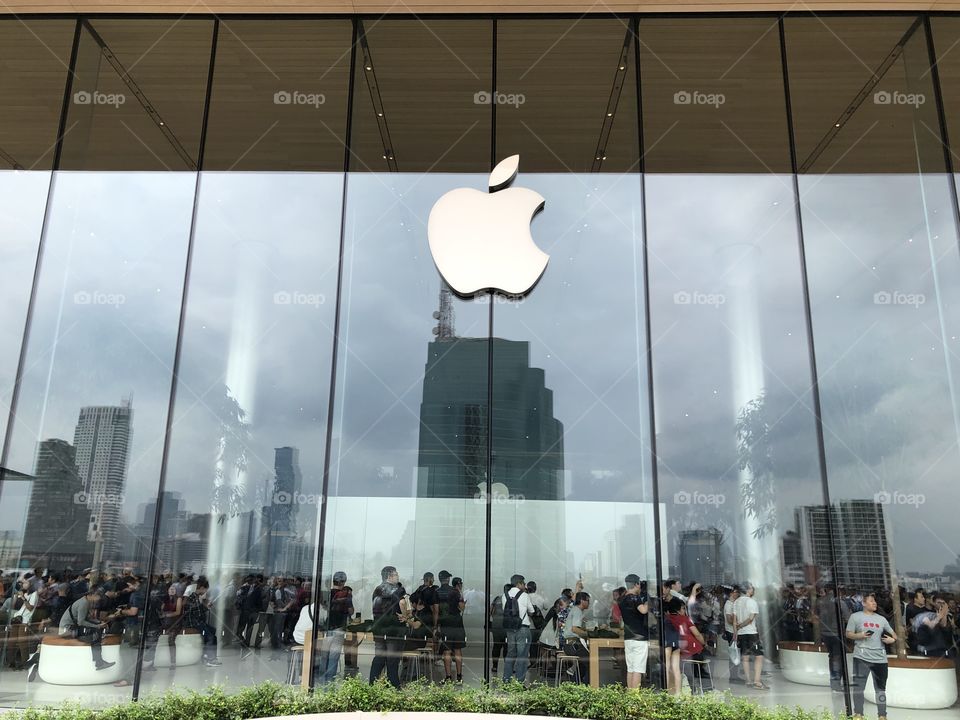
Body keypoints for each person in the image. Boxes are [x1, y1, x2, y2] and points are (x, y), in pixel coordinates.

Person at [846, 592, 897, 720]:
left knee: (880, 689)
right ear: (863, 603)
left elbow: (894, 635)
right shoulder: (855, 617)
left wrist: (892, 640)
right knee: (859, 687)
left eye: (875, 601)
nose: (874, 603)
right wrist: (860, 635)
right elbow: (848, 634)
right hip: (861, 657)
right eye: (871, 601)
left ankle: (882, 715)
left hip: (880, 659)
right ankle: (858, 714)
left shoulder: (881, 619)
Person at [58, 587, 116, 671]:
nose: (99, 600)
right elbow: (81, 622)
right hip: (67, 630)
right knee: (95, 635)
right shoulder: (84, 603)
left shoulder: (85, 601)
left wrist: (99, 622)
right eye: (98, 597)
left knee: (95, 632)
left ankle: (98, 660)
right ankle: (99, 662)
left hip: (71, 628)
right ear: (93, 595)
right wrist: (98, 626)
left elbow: (87, 619)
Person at [369, 565, 405, 688]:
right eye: (396, 574)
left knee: (379, 658)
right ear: (390, 576)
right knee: (392, 660)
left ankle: (372, 685)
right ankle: (394, 686)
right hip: (393, 629)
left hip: (379, 628)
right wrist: (405, 616)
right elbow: (402, 605)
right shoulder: (397, 590)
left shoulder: (377, 589)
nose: (398, 576)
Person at [668, 600, 713, 694]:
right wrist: (704, 644)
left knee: (689, 670)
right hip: (694, 649)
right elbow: (697, 634)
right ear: (678, 610)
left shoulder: (667, 619)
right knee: (701, 667)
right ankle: (707, 688)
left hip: (681, 652)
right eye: (683, 608)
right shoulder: (685, 619)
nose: (684, 610)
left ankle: (693, 689)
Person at [318, 571, 353, 683]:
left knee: (325, 655)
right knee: (334, 655)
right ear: (343, 582)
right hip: (339, 627)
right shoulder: (346, 594)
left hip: (327, 626)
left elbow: (323, 608)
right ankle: (329, 681)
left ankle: (321, 678)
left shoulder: (326, 593)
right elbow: (351, 611)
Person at [733, 582, 767, 690]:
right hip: (751, 633)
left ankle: (748, 681)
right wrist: (741, 626)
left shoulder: (736, 602)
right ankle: (757, 681)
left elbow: (734, 620)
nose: (753, 590)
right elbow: (751, 619)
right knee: (759, 656)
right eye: (752, 588)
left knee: (745, 657)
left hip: (741, 634)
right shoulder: (752, 602)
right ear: (748, 590)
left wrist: (736, 632)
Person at [502, 573, 535, 683]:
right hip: (523, 628)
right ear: (519, 583)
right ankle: (519, 682)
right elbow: (532, 611)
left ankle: (506, 680)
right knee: (522, 656)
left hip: (510, 629)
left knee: (510, 654)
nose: (525, 586)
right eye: (524, 583)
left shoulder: (504, 595)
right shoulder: (525, 595)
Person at [817, 584, 850, 692]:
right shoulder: (840, 602)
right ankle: (836, 683)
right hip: (837, 633)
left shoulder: (820, 601)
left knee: (832, 657)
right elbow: (848, 618)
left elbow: (814, 617)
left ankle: (834, 682)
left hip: (825, 633)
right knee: (837, 658)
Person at [619, 574, 649, 689]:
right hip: (639, 638)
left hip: (628, 637)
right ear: (636, 584)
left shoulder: (622, 600)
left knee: (630, 669)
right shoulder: (634, 598)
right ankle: (635, 697)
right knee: (638, 669)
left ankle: (630, 696)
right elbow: (643, 611)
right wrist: (647, 601)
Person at [435, 571, 466, 683]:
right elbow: (462, 608)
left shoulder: (437, 592)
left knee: (446, 651)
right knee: (457, 649)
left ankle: (448, 677)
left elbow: (436, 610)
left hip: (445, 624)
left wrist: (436, 626)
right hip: (457, 623)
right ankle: (459, 677)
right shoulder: (455, 592)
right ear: (448, 579)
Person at [562, 591, 591, 684]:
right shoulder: (577, 611)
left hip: (569, 644)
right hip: (573, 645)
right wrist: (588, 634)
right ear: (582, 601)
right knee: (592, 661)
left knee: (584, 662)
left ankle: (576, 682)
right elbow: (575, 629)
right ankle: (587, 685)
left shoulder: (576, 610)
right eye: (588, 601)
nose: (589, 603)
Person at [722, 585, 743, 684]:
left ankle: (735, 676)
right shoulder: (729, 604)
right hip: (731, 631)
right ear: (731, 593)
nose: (737, 594)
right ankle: (733, 677)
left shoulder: (733, 603)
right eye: (735, 592)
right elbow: (730, 620)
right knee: (734, 654)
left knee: (735, 653)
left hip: (733, 631)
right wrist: (739, 622)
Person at [489, 584, 511, 674]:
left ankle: (495, 666)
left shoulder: (497, 598)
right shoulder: (512, 600)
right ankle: (507, 667)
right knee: (507, 647)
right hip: (507, 626)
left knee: (496, 646)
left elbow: (491, 611)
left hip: (497, 625)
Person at [663, 597, 683, 694]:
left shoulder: (667, 620)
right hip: (676, 643)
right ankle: (678, 693)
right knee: (676, 668)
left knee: (666, 668)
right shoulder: (679, 618)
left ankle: (665, 693)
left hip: (668, 643)